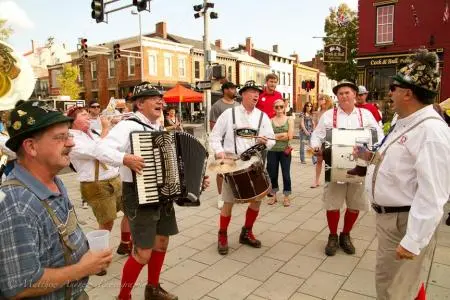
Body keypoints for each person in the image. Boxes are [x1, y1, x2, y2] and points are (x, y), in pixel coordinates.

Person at [94, 82, 209, 300]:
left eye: (161, 98)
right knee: (142, 252)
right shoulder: (128, 126)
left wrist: (192, 181)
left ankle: (153, 288)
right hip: (138, 194)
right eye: (154, 98)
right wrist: (124, 159)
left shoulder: (159, 128)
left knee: (162, 242)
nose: (160, 102)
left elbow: (174, 164)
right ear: (139, 103)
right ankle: (123, 295)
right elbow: (100, 149)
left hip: (161, 194)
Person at [354, 49, 450, 300]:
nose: (389, 93)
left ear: (408, 93)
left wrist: (414, 239)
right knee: (405, 283)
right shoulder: (404, 120)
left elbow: (434, 193)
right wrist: (369, 157)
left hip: (404, 223)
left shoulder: (431, 131)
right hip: (392, 220)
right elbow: (400, 165)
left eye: (393, 87)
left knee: (392, 290)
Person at [0, 100, 113, 299]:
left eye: (68, 134)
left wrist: (85, 251)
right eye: (60, 137)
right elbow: (20, 285)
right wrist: (83, 268)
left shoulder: (54, 182)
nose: (71, 142)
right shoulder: (17, 203)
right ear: (31, 147)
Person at [311, 80, 383, 257]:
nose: (344, 96)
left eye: (347, 93)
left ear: (354, 95)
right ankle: (333, 236)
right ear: (337, 97)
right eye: (340, 93)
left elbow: (378, 134)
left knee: (354, 203)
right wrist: (316, 147)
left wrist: (373, 149)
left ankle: (346, 235)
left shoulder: (365, 115)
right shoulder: (329, 115)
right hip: (335, 164)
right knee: (333, 203)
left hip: (359, 165)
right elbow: (317, 135)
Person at [209, 80, 276, 255]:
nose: (256, 95)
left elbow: (272, 139)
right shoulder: (229, 114)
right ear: (243, 94)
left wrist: (265, 142)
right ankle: (222, 234)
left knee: (257, 200)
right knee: (228, 202)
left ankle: (246, 232)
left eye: (258, 93)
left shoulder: (263, 117)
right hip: (232, 164)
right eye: (252, 92)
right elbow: (214, 137)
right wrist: (220, 152)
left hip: (253, 163)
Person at [68, 106, 132, 260]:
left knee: (131, 212)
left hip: (114, 178)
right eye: (84, 115)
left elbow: (111, 147)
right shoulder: (71, 139)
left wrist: (118, 125)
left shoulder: (93, 132)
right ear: (73, 121)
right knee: (107, 222)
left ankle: (124, 244)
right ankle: (97, 257)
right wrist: (105, 128)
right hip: (96, 184)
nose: (89, 116)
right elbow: (98, 151)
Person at [209, 81, 239, 209]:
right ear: (225, 90)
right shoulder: (217, 106)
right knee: (221, 171)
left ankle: (233, 194)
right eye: (233, 88)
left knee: (234, 170)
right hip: (222, 145)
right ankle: (221, 197)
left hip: (235, 144)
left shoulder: (238, 105)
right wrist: (219, 146)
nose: (235, 91)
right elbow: (213, 126)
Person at [266, 99, 294, 207]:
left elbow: (290, 136)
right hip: (272, 150)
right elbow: (268, 137)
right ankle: (274, 196)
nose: (279, 109)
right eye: (276, 107)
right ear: (273, 108)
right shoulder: (270, 120)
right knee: (272, 173)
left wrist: (275, 136)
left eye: (281, 107)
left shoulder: (289, 119)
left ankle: (286, 196)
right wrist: (282, 135)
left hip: (285, 150)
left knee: (286, 174)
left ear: (284, 107)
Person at [311, 95, 334, 188]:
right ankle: (316, 180)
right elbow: (316, 126)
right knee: (319, 159)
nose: (320, 100)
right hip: (319, 138)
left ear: (327, 100)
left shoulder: (332, 112)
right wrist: (315, 140)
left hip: (329, 138)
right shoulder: (317, 113)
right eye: (319, 99)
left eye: (322, 99)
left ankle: (329, 180)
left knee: (329, 160)